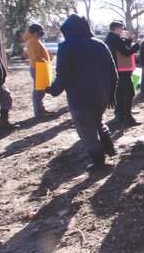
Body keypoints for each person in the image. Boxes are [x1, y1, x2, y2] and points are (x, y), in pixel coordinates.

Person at [46, 15, 118, 171]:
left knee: (86, 129)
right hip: (101, 96)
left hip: (80, 98)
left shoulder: (67, 47)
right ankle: (110, 148)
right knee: (98, 121)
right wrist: (111, 94)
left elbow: (63, 75)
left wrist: (52, 90)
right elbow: (113, 72)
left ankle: (99, 162)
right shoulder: (100, 45)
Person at [104, 21, 141, 125]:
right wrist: (137, 45)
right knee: (129, 93)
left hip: (118, 70)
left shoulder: (111, 38)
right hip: (121, 71)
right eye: (122, 28)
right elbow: (126, 52)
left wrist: (128, 40)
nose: (123, 30)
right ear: (117, 29)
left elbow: (124, 48)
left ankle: (120, 116)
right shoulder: (114, 39)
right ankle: (128, 118)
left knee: (120, 94)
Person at [23, 23, 53, 118]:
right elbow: (36, 56)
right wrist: (45, 63)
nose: (42, 33)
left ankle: (40, 111)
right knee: (39, 91)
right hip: (38, 67)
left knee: (40, 90)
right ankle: (39, 112)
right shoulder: (32, 41)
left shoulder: (34, 40)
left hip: (39, 67)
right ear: (35, 32)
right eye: (40, 31)